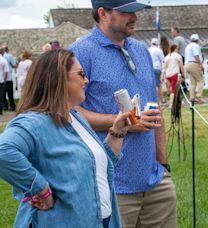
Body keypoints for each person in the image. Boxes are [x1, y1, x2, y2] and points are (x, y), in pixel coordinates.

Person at [69, 0, 177, 227]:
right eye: (127, 12)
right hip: (111, 185)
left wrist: (163, 164)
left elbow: (154, 108)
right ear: (102, 13)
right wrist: (121, 122)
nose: (135, 17)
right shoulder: (79, 53)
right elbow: (68, 110)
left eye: (136, 11)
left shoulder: (141, 50)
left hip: (156, 182)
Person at [0, 49, 130, 227]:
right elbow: (3, 150)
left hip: (102, 220)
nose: (86, 80)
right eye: (81, 74)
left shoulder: (75, 116)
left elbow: (96, 167)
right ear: (58, 78)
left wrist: (118, 131)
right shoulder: (34, 122)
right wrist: (41, 189)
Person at [185, 34, 205, 104]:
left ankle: (192, 97)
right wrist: (201, 65)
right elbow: (196, 56)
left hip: (187, 64)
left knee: (193, 83)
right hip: (193, 64)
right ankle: (198, 96)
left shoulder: (188, 46)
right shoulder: (196, 46)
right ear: (198, 40)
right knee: (201, 80)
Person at [148, 38, 165, 105]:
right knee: (158, 85)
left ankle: (158, 99)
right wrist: (163, 71)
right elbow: (163, 60)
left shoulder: (148, 49)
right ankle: (159, 100)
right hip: (157, 68)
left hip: (150, 68)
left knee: (153, 85)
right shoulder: (159, 50)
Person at [2, 47, 16, 111]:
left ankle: (5, 106)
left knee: (3, 94)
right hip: (8, 78)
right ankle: (12, 106)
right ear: (7, 50)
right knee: (10, 93)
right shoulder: (9, 56)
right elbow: (14, 65)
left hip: (1, 78)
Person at [0, 48, 9, 115]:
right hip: (1, 80)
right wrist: (5, 79)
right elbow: (6, 71)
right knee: (1, 95)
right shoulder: (3, 60)